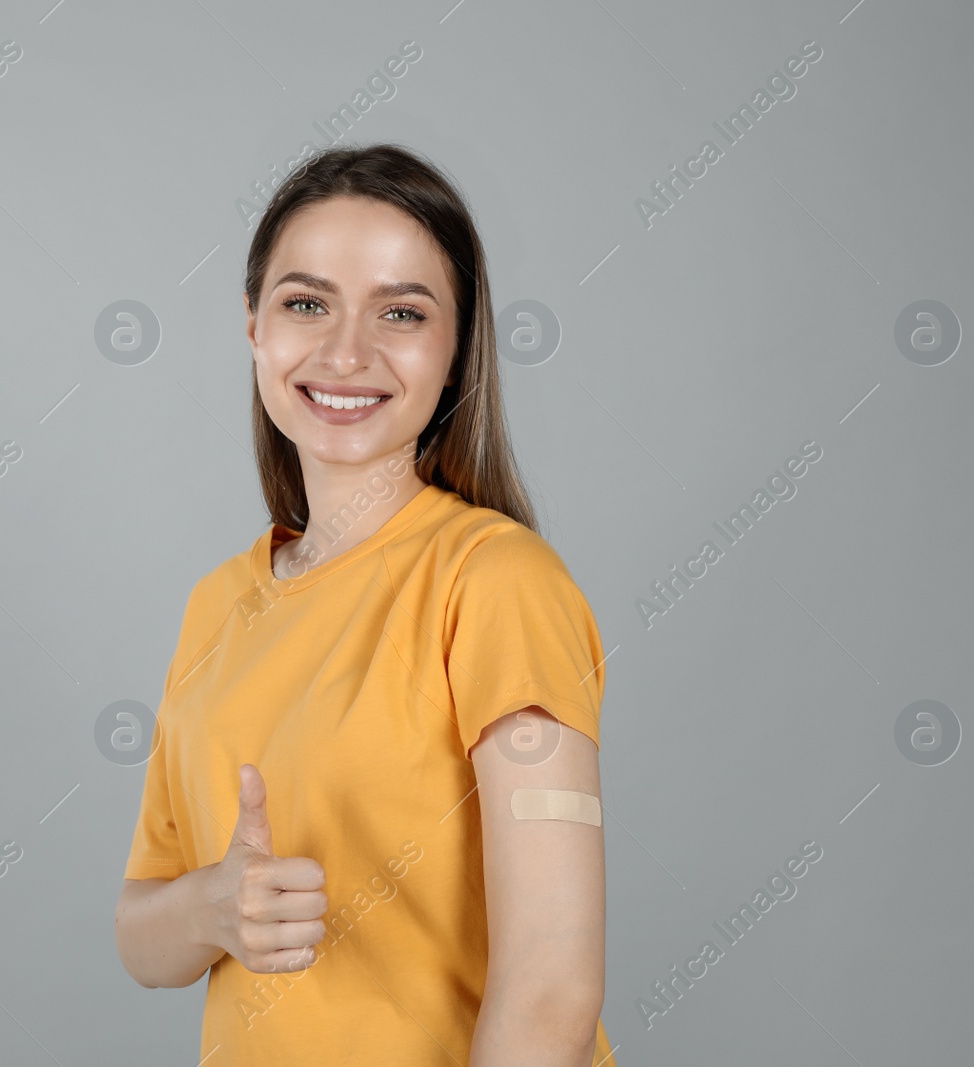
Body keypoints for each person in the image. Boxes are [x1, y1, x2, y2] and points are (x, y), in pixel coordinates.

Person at [114, 143, 615, 1067]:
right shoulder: (218, 604)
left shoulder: (497, 583)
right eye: (306, 303)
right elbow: (143, 936)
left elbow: (553, 987)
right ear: (254, 326)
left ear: (458, 344)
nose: (347, 352)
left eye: (402, 312)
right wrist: (216, 905)